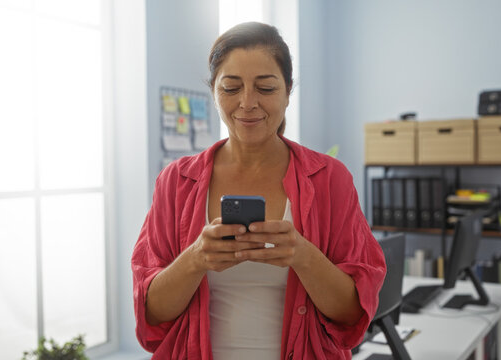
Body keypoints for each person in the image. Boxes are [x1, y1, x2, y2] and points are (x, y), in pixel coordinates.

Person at [132, 22, 386, 359]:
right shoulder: (176, 182)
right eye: (231, 87)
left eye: (265, 88)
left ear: (288, 90)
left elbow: (354, 316)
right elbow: (151, 315)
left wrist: (303, 256)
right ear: (213, 90)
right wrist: (195, 260)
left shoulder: (329, 178)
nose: (247, 103)